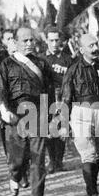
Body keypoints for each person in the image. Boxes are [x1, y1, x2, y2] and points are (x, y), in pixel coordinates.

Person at [0, 27, 53, 196]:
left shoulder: (42, 64)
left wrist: (53, 116)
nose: (29, 44)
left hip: (38, 113)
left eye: (31, 41)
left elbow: (49, 91)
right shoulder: (7, 64)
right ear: (16, 42)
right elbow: (0, 90)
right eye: (25, 41)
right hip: (16, 114)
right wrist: (3, 110)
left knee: (38, 158)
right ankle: (15, 175)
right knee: (18, 157)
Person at [61, 33, 99, 196]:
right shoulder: (74, 69)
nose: (95, 48)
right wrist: (63, 124)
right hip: (81, 112)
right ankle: (93, 194)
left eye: (96, 44)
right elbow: (65, 98)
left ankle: (91, 186)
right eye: (91, 46)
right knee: (88, 153)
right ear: (81, 50)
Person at [40, 25, 74, 173]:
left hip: (62, 97)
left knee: (60, 129)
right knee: (48, 130)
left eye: (56, 40)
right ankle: (52, 161)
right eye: (51, 40)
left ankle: (59, 161)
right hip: (45, 97)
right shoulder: (41, 59)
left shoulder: (68, 59)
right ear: (46, 40)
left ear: (61, 41)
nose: (54, 44)